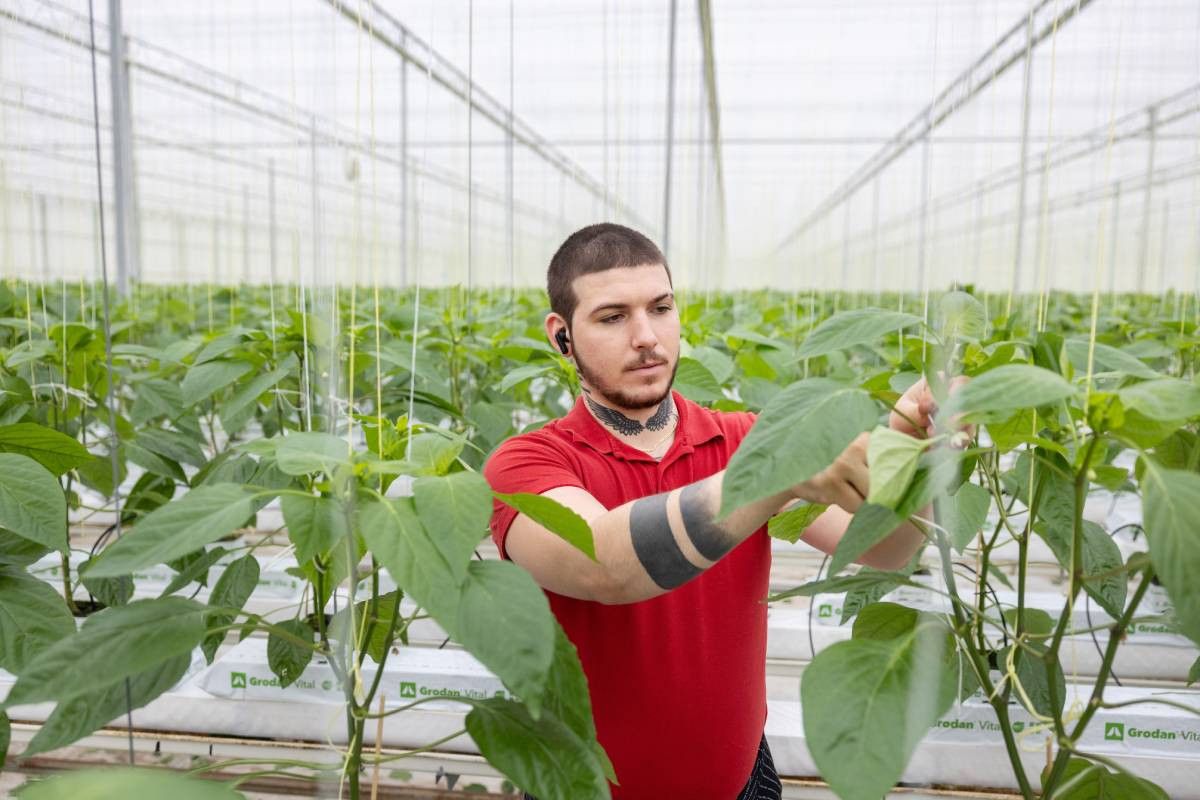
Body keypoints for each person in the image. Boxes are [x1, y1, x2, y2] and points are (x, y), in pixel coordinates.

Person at [484, 223, 949, 800]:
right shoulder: (528, 463)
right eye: (612, 317)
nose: (646, 337)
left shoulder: (745, 439)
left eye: (660, 308)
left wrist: (916, 447)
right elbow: (601, 563)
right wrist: (774, 475)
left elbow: (885, 548)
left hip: (740, 782)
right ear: (562, 337)